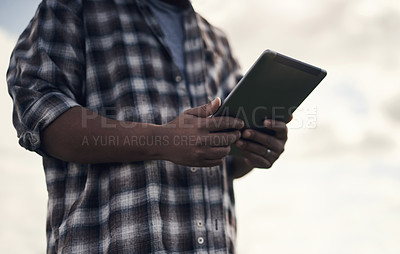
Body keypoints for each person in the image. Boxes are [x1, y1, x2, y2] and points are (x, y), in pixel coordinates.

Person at [7, 0, 289, 253]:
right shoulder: (73, 8)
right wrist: (164, 140)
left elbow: (226, 161)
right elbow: (39, 115)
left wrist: (255, 148)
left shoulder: (217, 42)